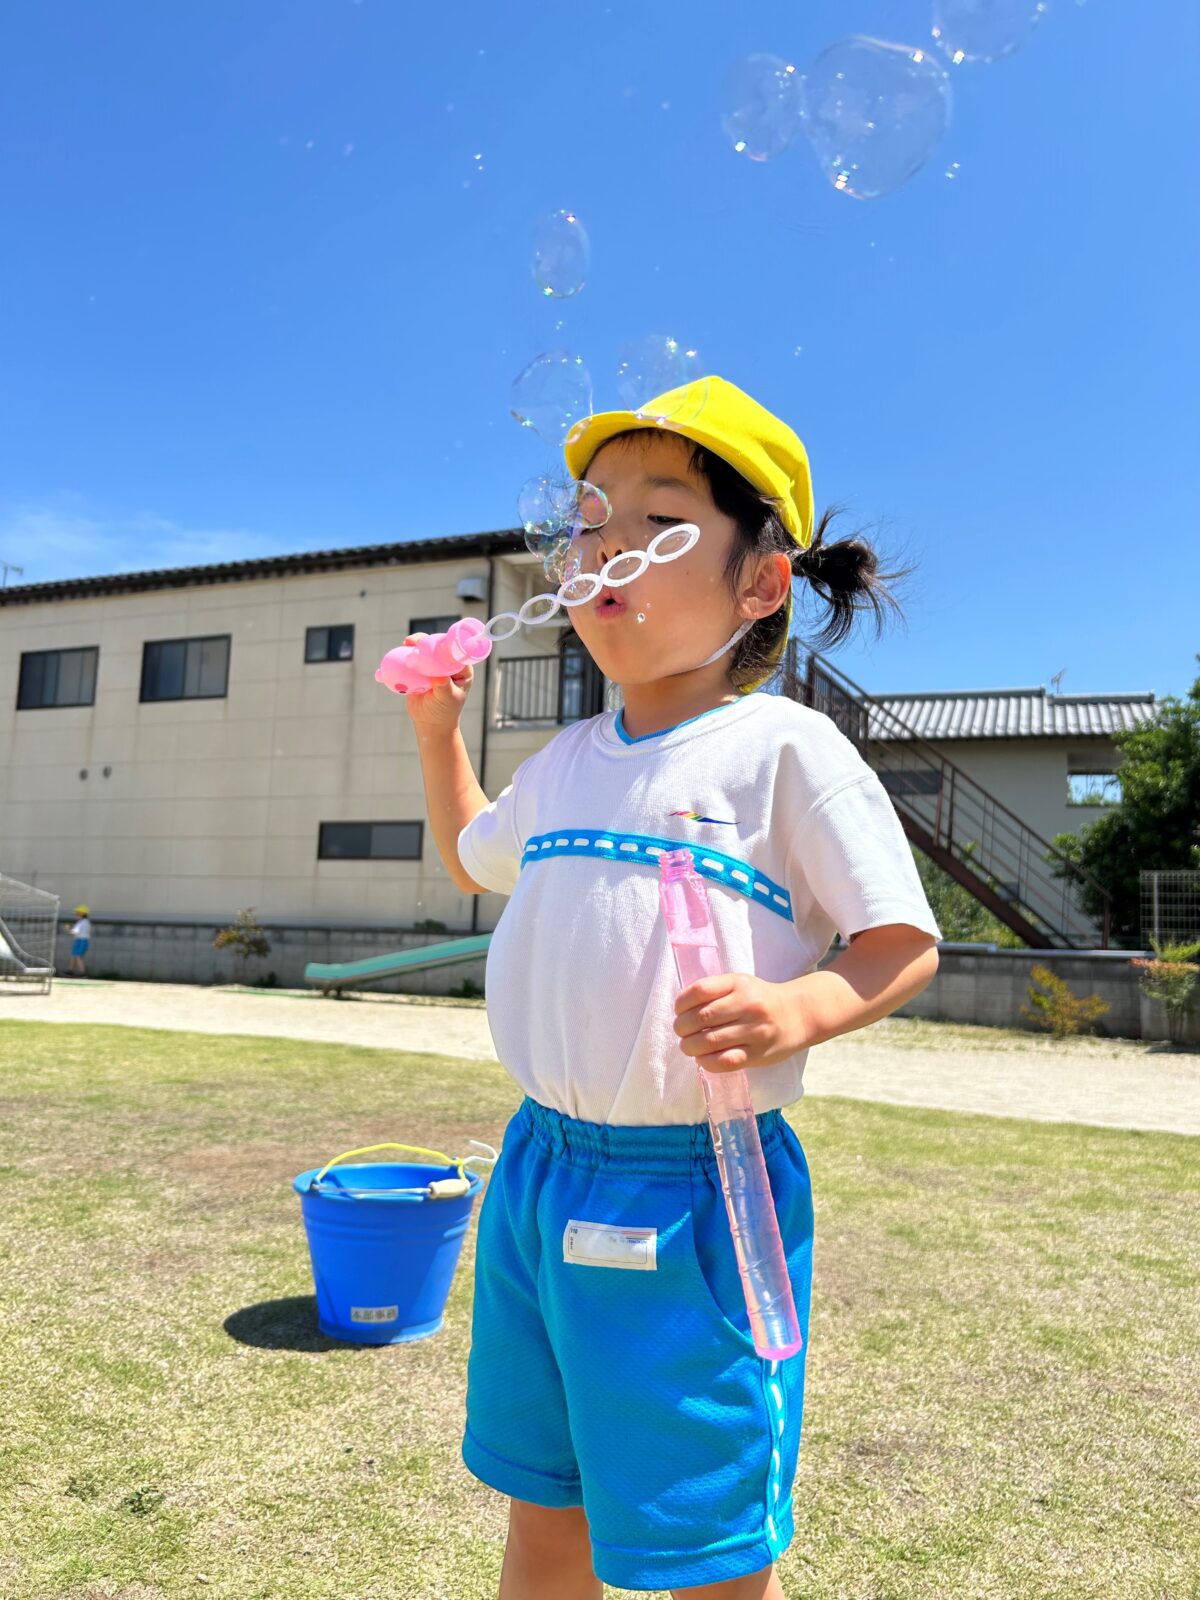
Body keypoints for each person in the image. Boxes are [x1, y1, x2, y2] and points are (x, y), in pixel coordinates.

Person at [402, 376, 942, 1599]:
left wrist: (800, 1008)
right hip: (541, 1167)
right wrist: (438, 735)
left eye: (658, 523)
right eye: (591, 521)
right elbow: (473, 849)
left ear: (761, 585)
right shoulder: (563, 763)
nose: (605, 550)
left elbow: (900, 942)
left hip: (698, 1188)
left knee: (699, 1534)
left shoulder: (784, 750)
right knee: (548, 1501)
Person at [65, 905, 91, 976]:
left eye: (77, 913)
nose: (75, 915)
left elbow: (74, 933)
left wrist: (67, 929)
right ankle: (70, 970)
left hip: (81, 941)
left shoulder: (81, 923)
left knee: (78, 956)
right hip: (81, 940)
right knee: (74, 955)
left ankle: (83, 973)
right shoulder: (86, 922)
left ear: (82, 914)